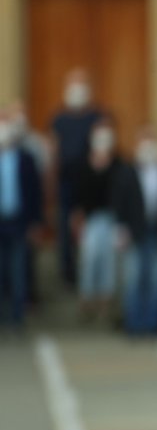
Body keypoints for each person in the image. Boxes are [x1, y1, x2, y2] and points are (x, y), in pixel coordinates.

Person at [112, 125, 157, 335]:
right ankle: (134, 325)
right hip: (134, 233)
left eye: (152, 140)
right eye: (144, 141)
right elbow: (119, 203)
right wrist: (120, 229)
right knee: (134, 279)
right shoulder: (127, 172)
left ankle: (153, 325)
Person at [50, 68, 103, 288]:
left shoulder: (97, 117)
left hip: (90, 186)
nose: (77, 90)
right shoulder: (59, 119)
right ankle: (68, 274)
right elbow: (53, 151)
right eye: (73, 85)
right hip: (65, 184)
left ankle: (92, 278)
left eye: (81, 85)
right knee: (65, 229)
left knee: (91, 231)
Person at [74, 117, 124, 324]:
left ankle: (105, 304)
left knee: (109, 262)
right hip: (91, 219)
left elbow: (122, 192)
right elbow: (78, 193)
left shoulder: (118, 163)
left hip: (112, 219)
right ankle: (86, 301)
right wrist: (77, 218)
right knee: (89, 258)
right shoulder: (84, 163)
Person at [0, 107, 42, 331]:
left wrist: (35, 223)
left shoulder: (26, 158)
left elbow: (35, 193)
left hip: (18, 222)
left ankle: (16, 318)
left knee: (18, 271)